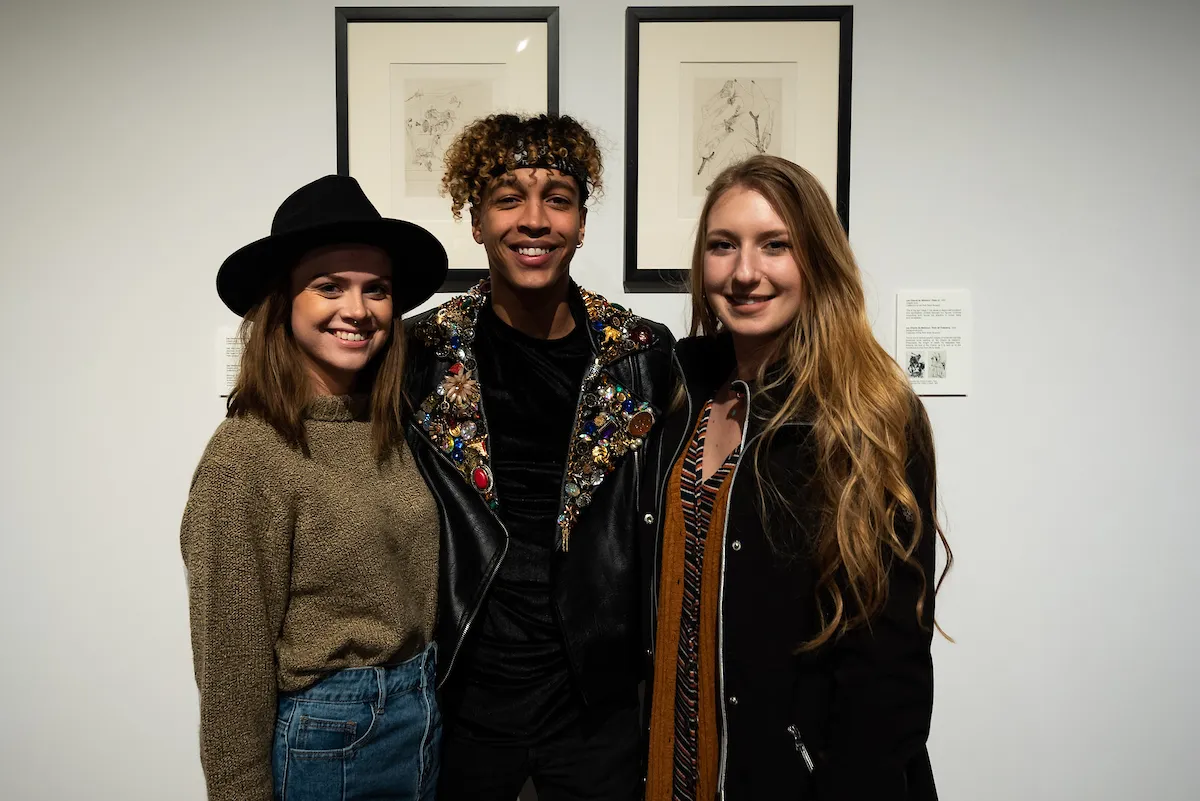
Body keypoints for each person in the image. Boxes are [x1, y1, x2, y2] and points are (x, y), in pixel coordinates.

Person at [636, 155, 952, 800]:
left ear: (815, 258)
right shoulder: (678, 392)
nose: (745, 272)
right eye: (723, 246)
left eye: (774, 245)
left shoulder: (867, 411)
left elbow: (888, 665)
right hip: (678, 767)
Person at [402, 113, 677, 800]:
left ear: (582, 221)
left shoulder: (640, 354)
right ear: (474, 221)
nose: (534, 219)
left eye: (557, 197)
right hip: (462, 696)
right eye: (507, 197)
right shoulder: (420, 355)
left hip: (596, 705)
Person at [180, 175, 448, 801]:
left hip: (422, 716)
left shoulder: (394, 428)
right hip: (331, 736)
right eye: (329, 286)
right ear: (285, 303)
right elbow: (231, 661)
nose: (357, 310)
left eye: (375, 290)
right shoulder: (246, 456)